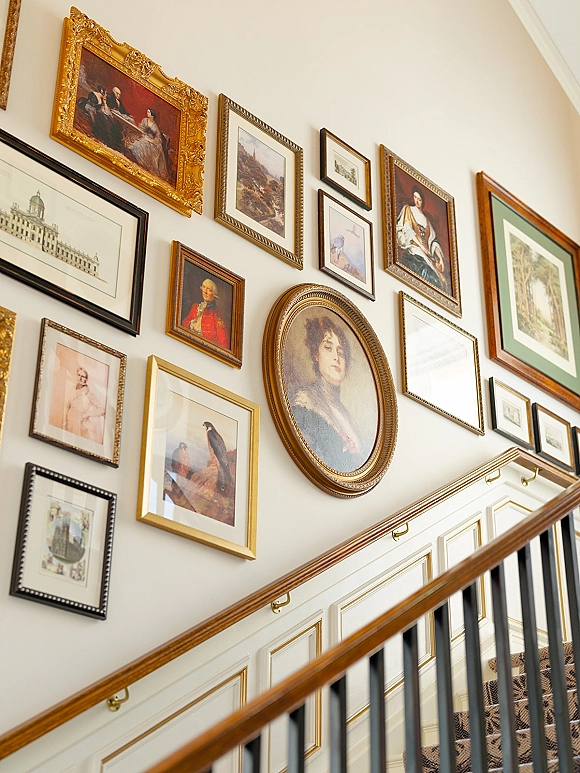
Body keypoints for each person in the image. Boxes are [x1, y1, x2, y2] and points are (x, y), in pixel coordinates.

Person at [290, 316, 366, 472]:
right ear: (316, 354)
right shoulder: (305, 401)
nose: (336, 358)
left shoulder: (348, 416)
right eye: (328, 348)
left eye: (341, 353)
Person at [396, 185, 448, 292]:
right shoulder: (408, 210)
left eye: (419, 199)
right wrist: (421, 247)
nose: (416, 201)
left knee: (441, 281)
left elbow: (433, 241)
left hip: (427, 254)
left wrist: (441, 259)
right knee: (428, 275)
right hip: (414, 248)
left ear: (423, 202)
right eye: (415, 197)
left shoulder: (427, 221)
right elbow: (407, 230)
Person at [182, 278, 230, 349]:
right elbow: (184, 323)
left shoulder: (216, 315)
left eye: (209, 290)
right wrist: (190, 325)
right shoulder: (195, 307)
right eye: (204, 287)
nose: (205, 292)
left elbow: (224, 342)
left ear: (214, 295)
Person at [65, 367, 105, 444]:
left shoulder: (89, 393)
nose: (80, 378)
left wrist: (87, 415)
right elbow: (67, 406)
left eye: (83, 376)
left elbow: (102, 410)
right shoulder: (71, 390)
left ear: (86, 379)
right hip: (70, 422)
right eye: (79, 375)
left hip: (81, 424)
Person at [129, 108, 170, 181]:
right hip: (144, 137)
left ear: (152, 115)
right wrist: (142, 134)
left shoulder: (155, 127)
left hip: (151, 141)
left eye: (148, 112)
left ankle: (143, 165)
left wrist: (151, 140)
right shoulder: (145, 120)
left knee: (146, 148)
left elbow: (158, 139)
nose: (147, 113)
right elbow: (141, 128)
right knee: (136, 145)